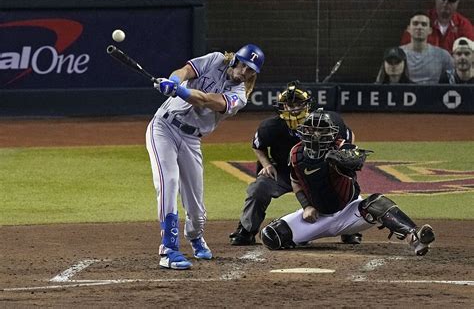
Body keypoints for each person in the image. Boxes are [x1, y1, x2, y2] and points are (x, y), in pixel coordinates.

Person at [147, 44, 265, 270]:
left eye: (251, 71)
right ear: (236, 60)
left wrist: (180, 91)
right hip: (163, 127)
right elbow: (183, 72)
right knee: (168, 182)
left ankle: (195, 236)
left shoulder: (239, 97)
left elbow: (207, 101)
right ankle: (169, 249)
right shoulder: (216, 59)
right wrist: (172, 81)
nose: (245, 72)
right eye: (244, 65)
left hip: (192, 139)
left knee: (196, 208)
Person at [260, 109, 436, 257]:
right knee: (271, 236)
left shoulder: (341, 147)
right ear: (304, 131)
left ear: (332, 133)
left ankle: (415, 238)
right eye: (312, 130)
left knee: (377, 202)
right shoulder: (296, 153)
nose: (316, 134)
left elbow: (356, 159)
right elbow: (295, 182)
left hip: (350, 211)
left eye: (321, 130)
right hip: (317, 216)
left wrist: (344, 159)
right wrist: (306, 206)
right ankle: (304, 237)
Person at [229, 81, 362, 246]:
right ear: (281, 106)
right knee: (259, 188)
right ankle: (246, 230)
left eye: (298, 104)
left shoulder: (326, 120)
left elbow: (349, 135)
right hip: (283, 172)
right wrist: (266, 164)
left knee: (345, 182)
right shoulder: (270, 127)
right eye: (289, 105)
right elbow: (257, 146)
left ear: (308, 104)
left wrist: (344, 158)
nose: (294, 109)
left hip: (320, 171)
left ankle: (350, 230)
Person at [400, 0, 474, 53]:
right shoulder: (420, 22)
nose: (446, 2)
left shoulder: (464, 26)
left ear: (458, 1)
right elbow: (404, 50)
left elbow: (471, 55)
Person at [400, 12, 454, 84]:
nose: (419, 27)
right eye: (415, 24)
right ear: (408, 29)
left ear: (430, 30)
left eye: (424, 24)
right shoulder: (399, 53)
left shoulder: (442, 55)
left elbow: (454, 80)